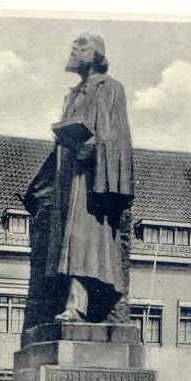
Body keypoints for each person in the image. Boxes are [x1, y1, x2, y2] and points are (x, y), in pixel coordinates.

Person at [23, 33, 134, 326]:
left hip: (91, 184)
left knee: (82, 243)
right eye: (73, 44)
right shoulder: (72, 95)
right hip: (66, 181)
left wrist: (92, 148)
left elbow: (117, 137)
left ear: (97, 54)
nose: (73, 48)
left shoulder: (111, 89)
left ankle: (78, 305)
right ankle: (65, 303)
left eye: (81, 44)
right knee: (63, 244)